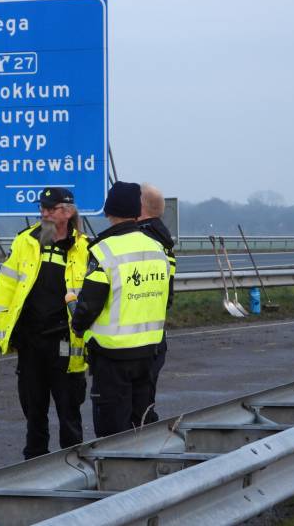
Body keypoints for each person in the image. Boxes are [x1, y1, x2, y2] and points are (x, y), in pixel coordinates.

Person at [0, 187, 90, 460]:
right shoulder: (28, 242)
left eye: (51, 208)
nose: (44, 212)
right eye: (42, 207)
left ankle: (74, 466)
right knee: (34, 411)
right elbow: (5, 290)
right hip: (31, 341)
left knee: (69, 411)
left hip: (66, 343)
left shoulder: (84, 248)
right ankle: (34, 466)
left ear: (67, 212)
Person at [71, 181, 171, 438]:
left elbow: (89, 303)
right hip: (149, 351)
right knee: (142, 423)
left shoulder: (104, 250)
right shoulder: (157, 248)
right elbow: (166, 297)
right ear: (137, 212)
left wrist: (77, 324)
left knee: (112, 433)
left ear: (108, 211)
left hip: (112, 355)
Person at [137, 183, 176, 423]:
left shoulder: (143, 240)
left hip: (135, 337)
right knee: (145, 401)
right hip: (154, 333)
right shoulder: (163, 240)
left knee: (136, 408)